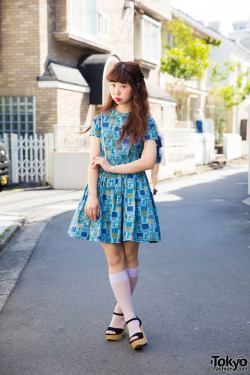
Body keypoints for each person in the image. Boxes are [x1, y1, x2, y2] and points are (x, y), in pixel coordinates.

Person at [67, 61, 161, 350]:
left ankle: (119, 313)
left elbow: (148, 161)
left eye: (123, 85)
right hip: (104, 194)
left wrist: (113, 167)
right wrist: (92, 196)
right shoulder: (101, 120)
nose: (117, 91)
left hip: (135, 193)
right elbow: (93, 163)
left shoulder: (146, 120)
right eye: (113, 85)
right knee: (113, 257)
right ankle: (133, 319)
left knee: (130, 255)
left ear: (136, 87)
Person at [151, 125, 164, 195]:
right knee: (156, 172)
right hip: (158, 155)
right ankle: (155, 187)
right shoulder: (160, 137)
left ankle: (153, 186)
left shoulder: (151, 136)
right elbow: (162, 146)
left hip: (152, 155)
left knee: (152, 172)